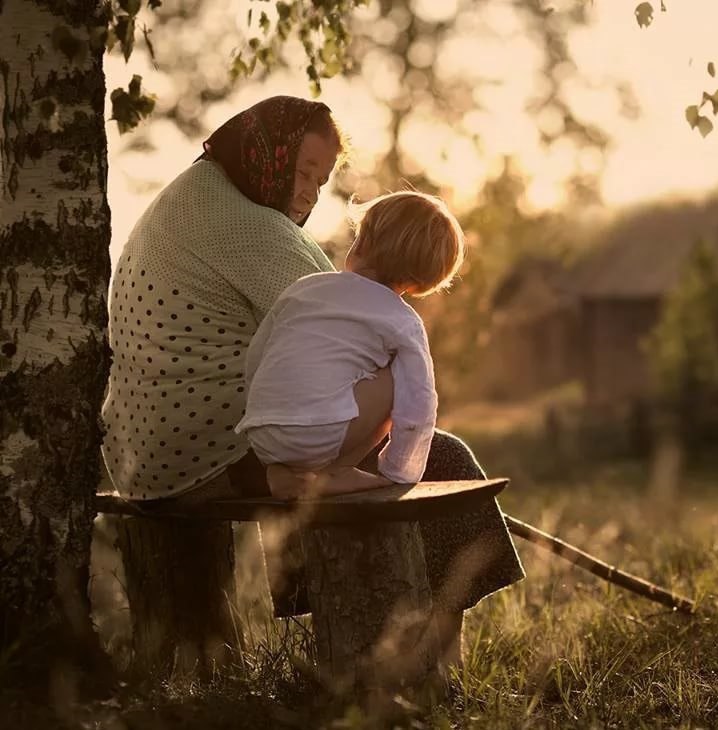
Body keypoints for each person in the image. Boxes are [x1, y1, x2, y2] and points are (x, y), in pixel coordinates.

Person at [101, 95, 523, 651]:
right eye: (302, 172)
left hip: (140, 452)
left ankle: (388, 638)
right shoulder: (255, 231)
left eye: (321, 181)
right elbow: (354, 353)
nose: (308, 193)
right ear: (266, 153)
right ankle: (421, 658)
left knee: (330, 433)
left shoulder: (193, 196)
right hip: (205, 455)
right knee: (442, 459)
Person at [236, 191, 465, 500]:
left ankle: (283, 473)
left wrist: (263, 411)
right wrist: (400, 471)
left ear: (362, 243)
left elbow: (257, 357)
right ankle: (336, 471)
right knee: (399, 379)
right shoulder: (402, 320)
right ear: (422, 281)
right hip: (319, 435)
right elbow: (419, 402)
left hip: (261, 433)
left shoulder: (304, 289)